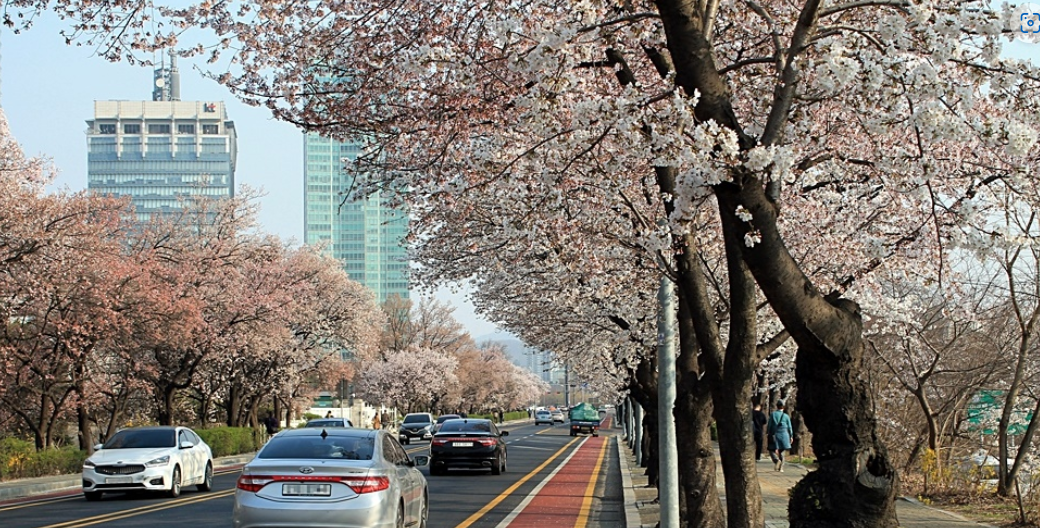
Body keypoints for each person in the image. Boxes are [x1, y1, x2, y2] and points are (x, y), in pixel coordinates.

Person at [767, 400, 793, 472]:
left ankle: (776, 460)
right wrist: (791, 436)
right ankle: (781, 468)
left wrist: (768, 432)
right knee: (782, 451)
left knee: (771, 449)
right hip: (784, 434)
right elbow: (790, 427)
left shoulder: (773, 414)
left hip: (774, 434)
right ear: (783, 407)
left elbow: (769, 424)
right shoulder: (786, 416)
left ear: (777, 406)